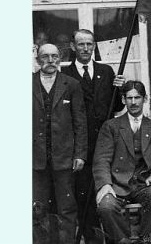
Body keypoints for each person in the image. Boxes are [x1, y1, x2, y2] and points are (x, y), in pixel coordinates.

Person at [64, 29, 125, 243]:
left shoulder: (106, 71)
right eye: (81, 44)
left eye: (89, 44)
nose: (85, 48)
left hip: (106, 144)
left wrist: (119, 90)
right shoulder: (65, 76)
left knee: (107, 191)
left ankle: (112, 238)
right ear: (73, 47)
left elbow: (116, 107)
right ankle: (92, 238)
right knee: (84, 194)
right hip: (80, 146)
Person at [93, 81, 151, 244]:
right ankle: (123, 241)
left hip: (142, 183)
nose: (133, 102)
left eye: (137, 97)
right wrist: (105, 184)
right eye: (129, 98)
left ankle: (147, 240)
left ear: (145, 99)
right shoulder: (111, 126)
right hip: (117, 183)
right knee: (106, 206)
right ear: (123, 100)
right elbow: (101, 159)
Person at [32, 43, 88, 243]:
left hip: (64, 158)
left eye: (54, 56)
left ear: (60, 58)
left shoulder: (71, 84)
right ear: (38, 59)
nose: (50, 60)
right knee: (36, 208)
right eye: (45, 56)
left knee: (67, 207)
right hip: (34, 158)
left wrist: (80, 154)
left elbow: (80, 122)